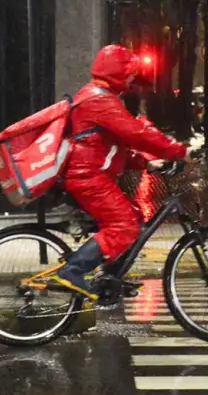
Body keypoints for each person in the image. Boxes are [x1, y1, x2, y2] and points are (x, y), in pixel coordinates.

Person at [49, 45, 190, 298]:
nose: (131, 79)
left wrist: (146, 164)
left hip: (92, 174)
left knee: (134, 218)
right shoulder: (99, 99)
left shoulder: (101, 96)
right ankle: (72, 270)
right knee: (124, 225)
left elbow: (112, 147)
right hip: (88, 177)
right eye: (129, 73)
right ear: (116, 71)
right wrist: (178, 150)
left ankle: (108, 277)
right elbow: (136, 134)